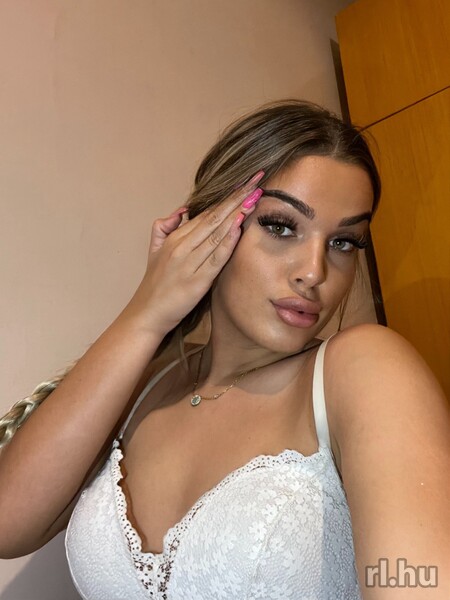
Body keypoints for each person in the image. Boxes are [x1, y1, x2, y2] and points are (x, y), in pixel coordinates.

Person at [0, 99, 448, 600]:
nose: (313, 272)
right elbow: (9, 525)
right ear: (204, 228)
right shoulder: (144, 385)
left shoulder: (363, 371)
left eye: (344, 242)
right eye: (281, 226)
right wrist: (146, 313)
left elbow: (417, 582)